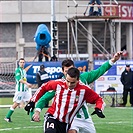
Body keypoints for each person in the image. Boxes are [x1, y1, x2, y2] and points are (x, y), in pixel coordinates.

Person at [25, 51, 122, 133]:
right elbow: (44, 95)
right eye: (67, 71)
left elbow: (100, 71)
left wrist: (113, 60)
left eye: (71, 70)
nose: (69, 74)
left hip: (82, 116)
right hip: (68, 118)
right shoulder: (59, 85)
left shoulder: (84, 81)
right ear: (63, 72)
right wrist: (36, 109)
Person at [25, 67, 106, 133]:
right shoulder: (58, 84)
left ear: (78, 80)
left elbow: (98, 99)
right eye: (68, 81)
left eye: (72, 82)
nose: (69, 84)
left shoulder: (84, 90)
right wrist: (32, 101)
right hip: (53, 116)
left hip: (66, 123)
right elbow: (43, 87)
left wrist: (99, 108)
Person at [4, 58, 32, 122]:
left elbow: (25, 70)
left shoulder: (23, 70)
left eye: (23, 62)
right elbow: (19, 79)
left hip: (25, 90)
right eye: (21, 62)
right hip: (20, 91)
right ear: (19, 63)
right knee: (16, 103)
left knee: (30, 102)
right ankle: (7, 117)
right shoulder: (17, 70)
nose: (22, 63)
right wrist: (27, 83)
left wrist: (30, 65)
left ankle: (33, 118)